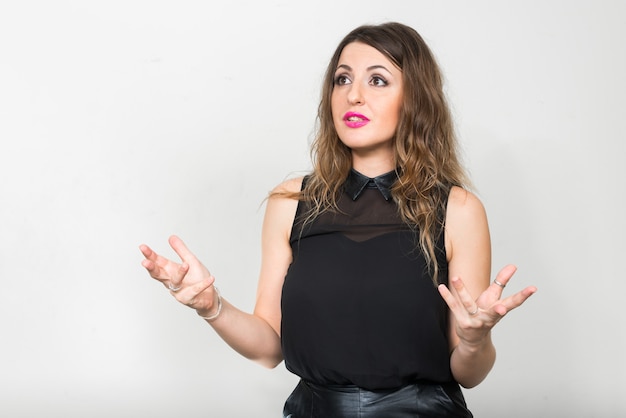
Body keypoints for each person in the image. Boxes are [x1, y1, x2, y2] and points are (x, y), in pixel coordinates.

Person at [139, 22, 537, 417]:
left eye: (378, 80)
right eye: (342, 80)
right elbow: (268, 347)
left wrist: (473, 341)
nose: (353, 96)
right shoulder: (291, 202)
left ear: (415, 99)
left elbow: (469, 374)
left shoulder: (458, 209)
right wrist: (212, 307)